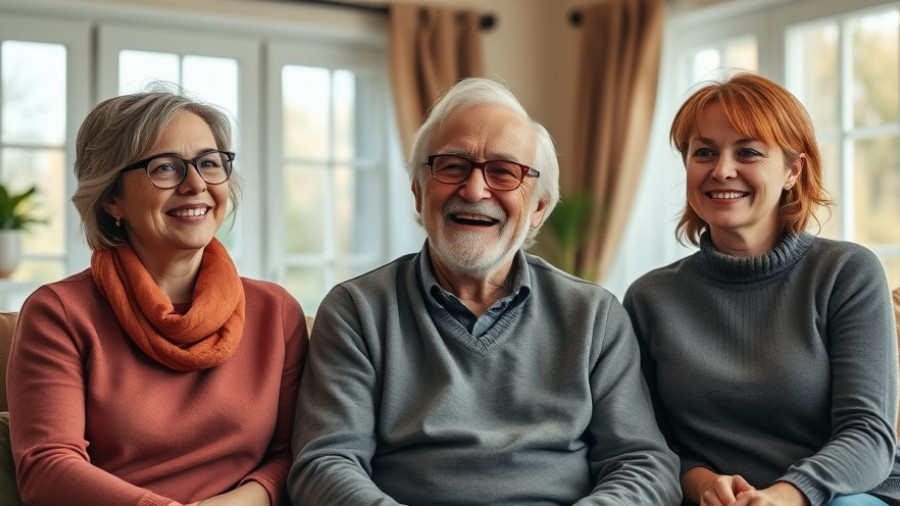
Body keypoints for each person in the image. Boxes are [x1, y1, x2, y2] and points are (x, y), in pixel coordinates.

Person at [287, 76, 681, 505]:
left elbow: (644, 464)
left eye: (504, 172)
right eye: (453, 165)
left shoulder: (594, 316)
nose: (474, 190)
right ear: (419, 193)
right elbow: (324, 463)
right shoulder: (357, 310)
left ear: (539, 208)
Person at [7, 87, 308, 506]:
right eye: (165, 168)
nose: (196, 184)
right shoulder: (58, 313)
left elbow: (293, 454)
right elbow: (48, 468)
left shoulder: (276, 312)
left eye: (209, 163)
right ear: (112, 198)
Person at [623, 72, 900, 506]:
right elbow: (650, 443)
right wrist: (702, 484)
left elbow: (868, 436)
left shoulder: (846, 272)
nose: (722, 170)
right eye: (704, 152)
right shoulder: (649, 299)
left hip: (847, 496)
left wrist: (784, 496)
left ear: (793, 170)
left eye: (748, 151)